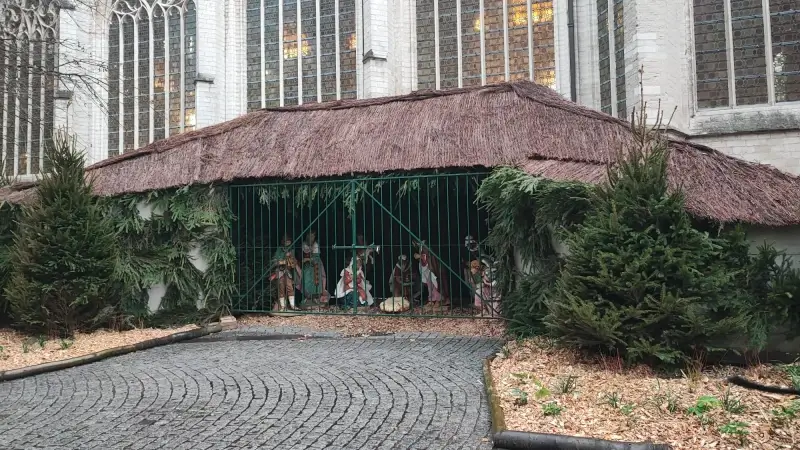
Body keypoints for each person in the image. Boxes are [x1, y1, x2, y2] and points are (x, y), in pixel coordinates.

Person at [269, 234, 300, 311]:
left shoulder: (291, 250)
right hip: (280, 272)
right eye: (286, 241)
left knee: (290, 288)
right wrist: (281, 262)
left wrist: (290, 258)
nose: (287, 242)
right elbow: (274, 260)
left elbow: (293, 262)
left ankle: (292, 305)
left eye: (289, 241)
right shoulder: (279, 249)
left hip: (288, 271)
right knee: (281, 288)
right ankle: (282, 306)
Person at [301, 230, 327, 306]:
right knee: (306, 280)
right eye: (310, 235)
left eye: (313, 236)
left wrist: (308, 259)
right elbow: (302, 254)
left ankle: (316, 297)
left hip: (315, 265)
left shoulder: (315, 244)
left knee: (316, 280)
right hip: (307, 266)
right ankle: (307, 297)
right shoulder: (304, 244)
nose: (312, 237)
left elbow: (316, 257)